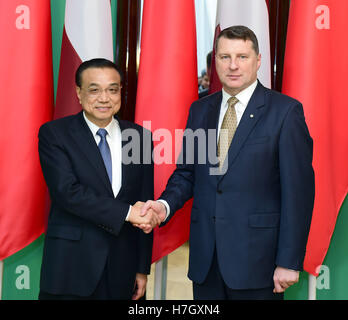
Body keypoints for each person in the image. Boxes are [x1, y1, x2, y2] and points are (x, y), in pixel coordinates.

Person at [139, 26, 315, 300]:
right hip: (206, 261)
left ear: (258, 61)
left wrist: (289, 261)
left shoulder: (285, 112)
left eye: (242, 57)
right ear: (215, 62)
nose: (233, 65)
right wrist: (163, 206)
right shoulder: (201, 109)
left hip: (258, 262)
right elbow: (187, 173)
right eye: (224, 57)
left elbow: (298, 193)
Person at [38, 58, 159, 300]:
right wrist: (126, 212)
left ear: (120, 92)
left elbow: (144, 203)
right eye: (94, 90)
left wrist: (142, 268)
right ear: (79, 93)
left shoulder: (140, 137)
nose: (104, 98)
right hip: (70, 267)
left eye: (112, 89)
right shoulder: (55, 134)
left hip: (123, 269)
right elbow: (67, 193)